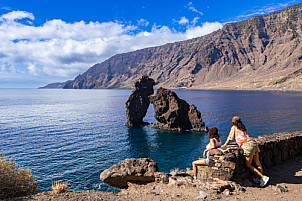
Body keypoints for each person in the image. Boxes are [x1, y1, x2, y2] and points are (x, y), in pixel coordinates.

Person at [222, 116, 269, 187]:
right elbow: (246, 136)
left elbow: (230, 138)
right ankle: (259, 178)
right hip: (253, 143)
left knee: (248, 165)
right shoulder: (243, 126)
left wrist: (225, 145)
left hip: (247, 146)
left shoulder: (234, 127)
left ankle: (263, 177)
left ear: (233, 122)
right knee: (257, 162)